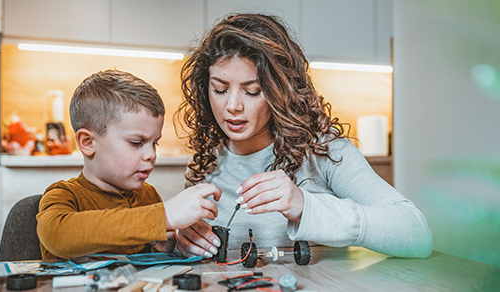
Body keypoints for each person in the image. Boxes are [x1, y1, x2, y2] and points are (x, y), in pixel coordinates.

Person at [174, 13, 433, 259]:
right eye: (219, 89)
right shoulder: (205, 162)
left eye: (252, 91)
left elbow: (416, 234)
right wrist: (181, 239)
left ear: (280, 91)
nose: (232, 106)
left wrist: (306, 206)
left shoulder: (324, 152)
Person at [37, 69, 222, 260]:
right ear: (88, 142)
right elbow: (57, 236)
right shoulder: (63, 195)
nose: (151, 155)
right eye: (136, 143)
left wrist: (165, 247)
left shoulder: (149, 196)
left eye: (154, 143)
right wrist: (162, 217)